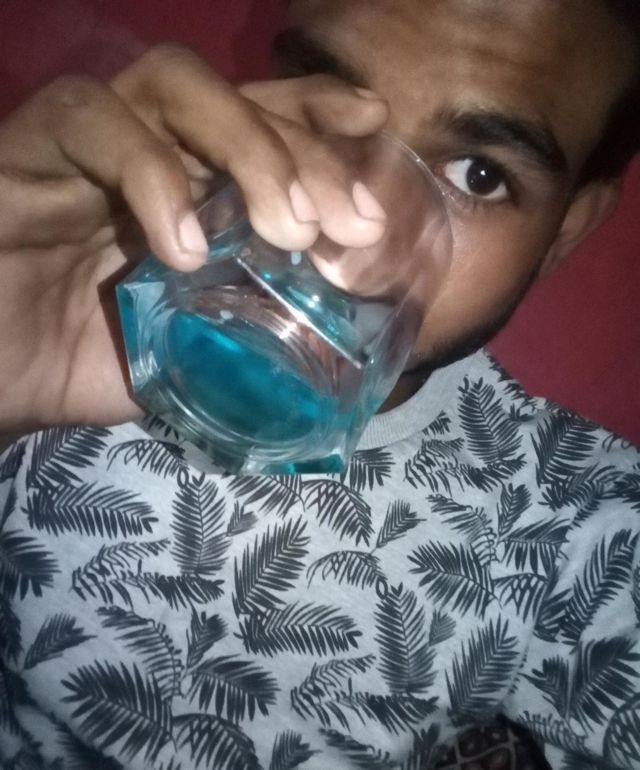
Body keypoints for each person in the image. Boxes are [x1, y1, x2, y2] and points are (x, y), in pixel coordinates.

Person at [0, 1, 639, 768]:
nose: (344, 242)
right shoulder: (79, 278)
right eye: (324, 113)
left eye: (480, 175)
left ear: (567, 228)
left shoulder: (567, 512)